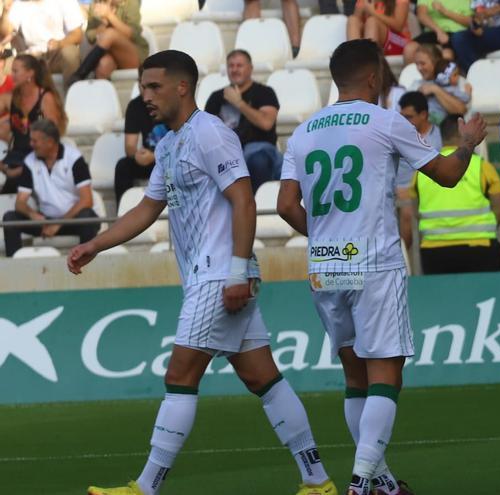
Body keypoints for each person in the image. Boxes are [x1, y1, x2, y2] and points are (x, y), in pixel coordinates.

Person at [70, 50, 337, 495]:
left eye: (153, 87)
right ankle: (317, 480)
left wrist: (236, 271)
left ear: (181, 87)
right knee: (262, 378)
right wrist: (96, 244)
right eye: (141, 86)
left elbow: (244, 200)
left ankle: (146, 487)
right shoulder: (171, 143)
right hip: (208, 275)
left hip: (219, 275)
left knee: (179, 376)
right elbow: (148, 208)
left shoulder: (211, 133)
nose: (145, 96)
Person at [276, 39, 487, 495]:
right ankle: (360, 483)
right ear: (373, 76)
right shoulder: (386, 120)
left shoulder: (304, 130)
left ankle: (383, 483)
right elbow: (448, 177)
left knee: (355, 376)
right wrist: (467, 144)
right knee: (387, 374)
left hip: (327, 263)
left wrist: (327, 237)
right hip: (373, 261)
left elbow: (285, 205)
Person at [412, 114, 500, 273]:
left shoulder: (422, 171)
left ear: (442, 136)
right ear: (462, 134)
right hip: (480, 249)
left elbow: (415, 211)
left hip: (434, 252)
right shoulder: (483, 167)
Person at [3, 119, 98, 257]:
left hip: (73, 220)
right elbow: (20, 202)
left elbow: (87, 200)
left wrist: (59, 224)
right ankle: (15, 265)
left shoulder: (74, 158)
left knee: (88, 217)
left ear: (50, 142)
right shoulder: (29, 161)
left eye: (35, 141)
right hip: (45, 221)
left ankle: (87, 267)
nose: (31, 144)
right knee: (10, 218)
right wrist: (32, 215)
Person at [205, 50, 282, 192]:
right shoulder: (216, 97)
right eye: (231, 66)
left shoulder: (264, 92)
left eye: (239, 65)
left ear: (250, 68)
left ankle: (256, 206)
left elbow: (266, 123)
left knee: (259, 160)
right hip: (227, 155)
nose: (234, 70)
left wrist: (239, 103)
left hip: (259, 150)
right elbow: (207, 133)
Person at [0, 54, 67, 194]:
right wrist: (5, 168)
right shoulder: (9, 98)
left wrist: (24, 168)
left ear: (30, 73)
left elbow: (53, 139)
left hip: (40, 160)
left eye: (15, 71)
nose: (11, 75)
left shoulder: (46, 98)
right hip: (16, 159)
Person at [114, 70, 168, 204]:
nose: (144, 90)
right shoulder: (135, 105)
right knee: (123, 166)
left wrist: (155, 156)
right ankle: (122, 213)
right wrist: (137, 154)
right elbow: (130, 146)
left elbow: (182, 143)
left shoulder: (169, 103)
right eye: (141, 85)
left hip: (170, 158)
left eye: (149, 85)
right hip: (148, 159)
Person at [397, 91, 442, 248]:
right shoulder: (395, 137)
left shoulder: (439, 136)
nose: (404, 121)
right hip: (399, 192)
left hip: (429, 192)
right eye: (401, 116)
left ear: (423, 114)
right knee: (407, 210)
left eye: (408, 117)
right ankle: (407, 259)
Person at [0, 0, 84, 83]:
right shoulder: (19, 3)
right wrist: (6, 11)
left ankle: (72, 93)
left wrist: (59, 44)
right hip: (30, 57)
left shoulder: (66, 2)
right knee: (3, 66)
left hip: (57, 54)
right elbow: (5, 32)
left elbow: (77, 35)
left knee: (70, 54)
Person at [71, 0, 149, 83]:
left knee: (111, 33)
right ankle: (101, 94)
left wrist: (109, 16)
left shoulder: (131, 3)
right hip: (107, 53)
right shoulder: (96, 4)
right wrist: (102, 27)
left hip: (132, 54)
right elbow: (89, 35)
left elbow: (132, 34)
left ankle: (80, 74)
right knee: (103, 65)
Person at [410, 43, 470, 124]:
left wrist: (435, 89)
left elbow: (461, 110)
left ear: (436, 62)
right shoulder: (416, 84)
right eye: (417, 64)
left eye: (423, 63)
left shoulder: (455, 80)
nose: (419, 68)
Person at [404, 0, 470, 62]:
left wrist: (445, 11)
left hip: (456, 34)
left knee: (446, 55)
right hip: (433, 31)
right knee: (409, 49)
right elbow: (421, 15)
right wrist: (439, 31)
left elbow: (470, 22)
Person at [347, 0, 411, 56]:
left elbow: (398, 26)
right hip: (369, 42)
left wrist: (373, 12)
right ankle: (354, 59)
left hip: (399, 42)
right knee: (352, 19)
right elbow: (356, 25)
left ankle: (369, 61)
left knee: (372, 22)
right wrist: (360, 11)